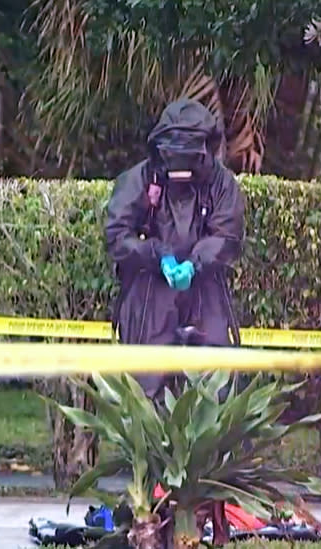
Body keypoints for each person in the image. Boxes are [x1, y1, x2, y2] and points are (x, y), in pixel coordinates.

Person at [105, 98, 246, 398]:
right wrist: (158, 254)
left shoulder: (221, 184)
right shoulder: (141, 179)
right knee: (146, 385)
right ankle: (150, 444)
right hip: (150, 292)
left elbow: (228, 235)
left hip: (205, 288)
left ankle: (215, 446)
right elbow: (117, 235)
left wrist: (195, 263)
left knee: (217, 384)